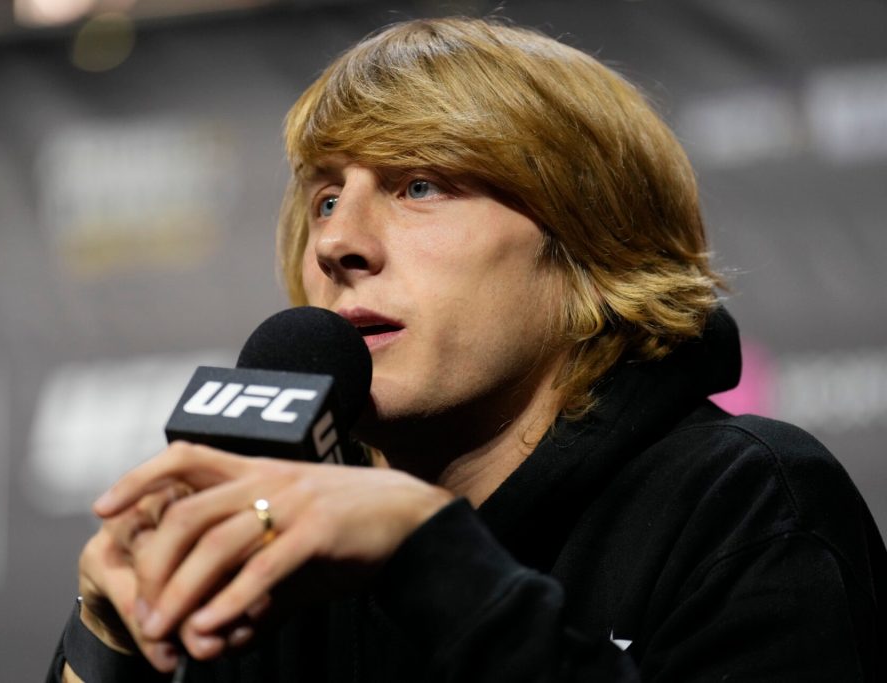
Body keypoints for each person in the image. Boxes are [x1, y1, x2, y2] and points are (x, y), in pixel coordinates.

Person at [47, 16, 887, 682]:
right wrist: (110, 646)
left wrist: (427, 559)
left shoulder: (745, 501)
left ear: (589, 244)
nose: (338, 242)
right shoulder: (273, 540)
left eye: (419, 184)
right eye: (327, 198)